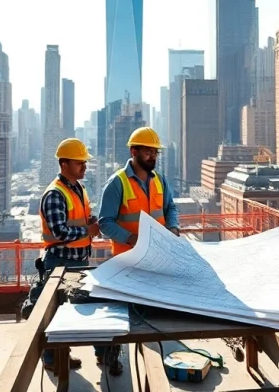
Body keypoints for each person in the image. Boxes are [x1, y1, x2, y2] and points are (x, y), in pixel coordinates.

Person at [38, 138, 122, 375]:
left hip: (77, 260)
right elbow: (59, 231)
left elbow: (76, 219)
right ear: (64, 164)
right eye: (79, 163)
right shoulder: (56, 194)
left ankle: (95, 352)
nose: (84, 167)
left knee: (80, 305)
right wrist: (88, 230)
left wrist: (90, 221)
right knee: (59, 311)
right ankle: (55, 357)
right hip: (61, 262)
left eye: (85, 162)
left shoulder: (77, 188)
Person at [98, 126, 180, 256]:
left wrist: (173, 228)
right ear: (134, 152)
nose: (153, 157)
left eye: (155, 152)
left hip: (159, 255)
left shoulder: (159, 179)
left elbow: (170, 207)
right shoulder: (117, 183)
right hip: (127, 258)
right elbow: (105, 223)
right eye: (148, 152)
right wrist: (132, 239)